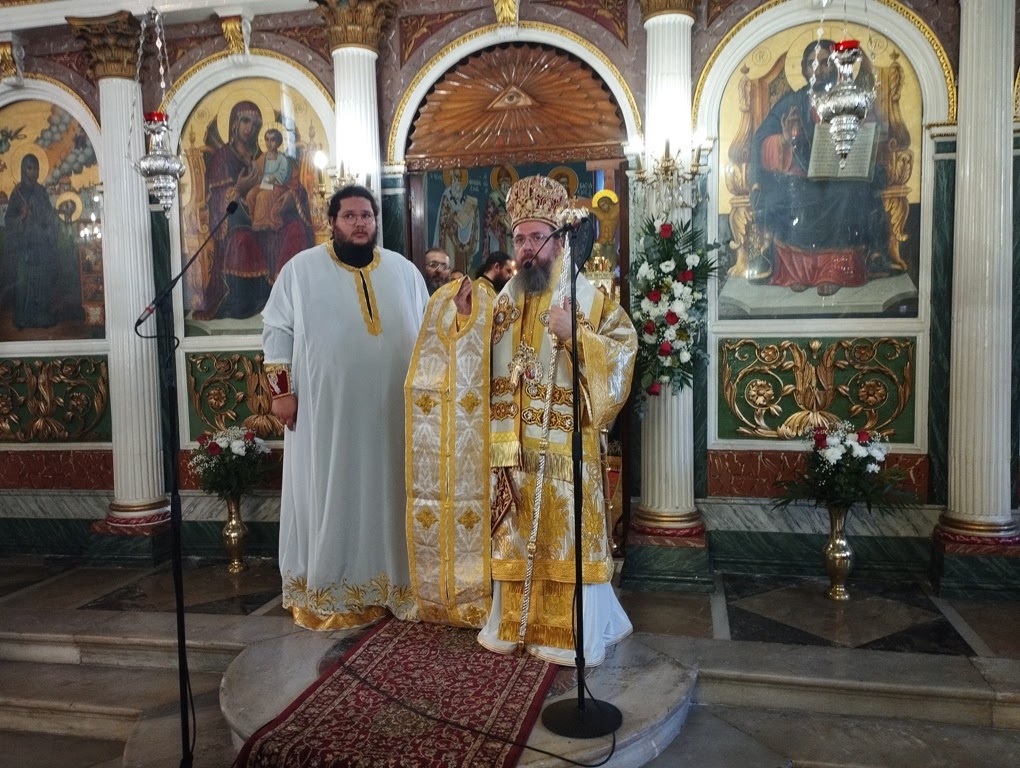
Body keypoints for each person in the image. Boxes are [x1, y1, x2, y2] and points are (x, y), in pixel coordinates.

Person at [405, 175, 637, 666]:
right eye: (520, 239)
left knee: (564, 541)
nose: (528, 248)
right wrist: (465, 320)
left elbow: (623, 353)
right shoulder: (501, 301)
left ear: (559, 241)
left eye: (537, 238)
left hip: (564, 452)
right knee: (512, 543)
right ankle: (513, 624)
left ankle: (568, 631)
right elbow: (470, 364)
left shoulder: (587, 299)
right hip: (508, 451)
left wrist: (577, 336)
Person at [263, 184, 429, 630]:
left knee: (390, 488)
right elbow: (276, 329)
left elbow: (430, 331)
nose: (360, 224)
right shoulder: (300, 271)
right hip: (327, 413)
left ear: (376, 221)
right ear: (332, 222)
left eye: (366, 216)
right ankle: (335, 586)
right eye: (350, 216)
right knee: (334, 486)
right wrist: (281, 392)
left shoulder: (403, 271)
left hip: (392, 413)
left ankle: (394, 582)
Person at [748, 39, 896, 297]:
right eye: (811, 63)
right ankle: (797, 273)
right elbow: (760, 141)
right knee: (790, 196)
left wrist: (860, 134)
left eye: (826, 62)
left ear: (837, 66)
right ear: (804, 69)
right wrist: (784, 140)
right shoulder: (792, 102)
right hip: (800, 177)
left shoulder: (852, 98)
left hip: (842, 177)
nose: (818, 69)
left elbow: (874, 135)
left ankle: (835, 271)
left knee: (848, 194)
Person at [199, 102, 313, 320]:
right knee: (242, 240)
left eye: (255, 124)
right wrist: (238, 189)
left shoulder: (264, 155)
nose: (249, 128)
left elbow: (287, 181)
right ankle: (250, 300)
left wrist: (292, 196)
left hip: (270, 215)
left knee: (295, 229)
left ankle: (292, 300)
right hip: (238, 221)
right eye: (245, 121)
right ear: (234, 124)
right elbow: (216, 203)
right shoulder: (223, 157)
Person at [5, 153, 58, 329]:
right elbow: (8, 220)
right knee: (24, 281)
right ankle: (23, 317)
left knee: (40, 281)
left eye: (35, 168)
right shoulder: (17, 193)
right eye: (29, 168)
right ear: (23, 169)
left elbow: (48, 216)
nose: (33, 171)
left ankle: (40, 316)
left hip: (40, 244)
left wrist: (43, 216)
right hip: (24, 245)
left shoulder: (41, 192)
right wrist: (21, 216)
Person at [244, 128, 294, 231]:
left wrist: (266, 180)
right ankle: (254, 220)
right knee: (250, 195)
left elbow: (282, 176)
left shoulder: (283, 159)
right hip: (264, 184)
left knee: (262, 196)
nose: (269, 143)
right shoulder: (263, 157)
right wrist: (250, 164)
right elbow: (256, 170)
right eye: (267, 139)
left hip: (277, 187)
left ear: (278, 142)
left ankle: (263, 224)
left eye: (272, 140)